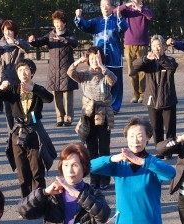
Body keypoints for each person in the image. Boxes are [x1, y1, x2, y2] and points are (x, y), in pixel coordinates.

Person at [0, 59, 56, 198]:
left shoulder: (37, 88)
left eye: (26, 70)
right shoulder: (13, 89)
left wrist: (34, 89)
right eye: (20, 71)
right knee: (22, 170)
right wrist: (0, 87)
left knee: (37, 170)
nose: (23, 73)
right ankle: (26, 202)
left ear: (32, 72)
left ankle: (38, 201)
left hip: (34, 131)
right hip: (18, 132)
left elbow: (49, 98)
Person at [68, 47, 117, 190]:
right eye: (91, 59)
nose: (94, 61)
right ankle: (94, 177)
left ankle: (105, 179)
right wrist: (78, 62)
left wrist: (103, 67)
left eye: (97, 58)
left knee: (104, 148)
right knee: (91, 149)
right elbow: (70, 73)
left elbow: (113, 80)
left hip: (104, 114)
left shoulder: (106, 73)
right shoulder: (84, 74)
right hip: (89, 115)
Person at [75, 0, 129, 114]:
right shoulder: (96, 21)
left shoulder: (116, 20)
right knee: (99, 81)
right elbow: (85, 26)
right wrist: (79, 17)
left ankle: (114, 106)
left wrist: (119, 17)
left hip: (114, 56)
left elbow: (124, 28)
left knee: (115, 82)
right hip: (98, 56)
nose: (105, 8)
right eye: (102, 6)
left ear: (112, 7)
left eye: (107, 5)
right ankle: (101, 104)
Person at [29, 10, 79, 127]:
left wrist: (63, 40)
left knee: (68, 96)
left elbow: (75, 43)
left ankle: (68, 118)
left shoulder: (69, 34)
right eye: (55, 22)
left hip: (67, 69)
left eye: (59, 22)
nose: (57, 24)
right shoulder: (50, 35)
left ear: (64, 23)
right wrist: (32, 41)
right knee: (57, 96)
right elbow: (39, 42)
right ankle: (59, 118)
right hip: (54, 69)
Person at [132, 35, 178, 151]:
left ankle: (169, 150)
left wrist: (160, 58)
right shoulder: (148, 62)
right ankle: (159, 150)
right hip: (152, 100)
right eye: (153, 46)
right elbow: (135, 65)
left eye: (159, 45)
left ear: (163, 47)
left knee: (169, 128)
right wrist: (146, 59)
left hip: (168, 99)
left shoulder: (169, 60)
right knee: (155, 127)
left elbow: (172, 67)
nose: (156, 48)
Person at [0, 19, 30, 120]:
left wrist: (17, 42)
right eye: (6, 30)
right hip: (4, 79)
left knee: (20, 107)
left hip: (18, 78)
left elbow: (27, 48)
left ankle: (22, 130)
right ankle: (11, 133)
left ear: (14, 31)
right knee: (8, 110)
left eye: (10, 30)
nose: (8, 33)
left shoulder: (19, 43)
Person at [115, 0, 154, 104]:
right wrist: (125, 6)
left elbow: (150, 16)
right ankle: (135, 94)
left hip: (142, 45)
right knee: (132, 71)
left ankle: (142, 94)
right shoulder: (127, 10)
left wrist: (140, 9)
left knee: (142, 71)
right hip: (129, 44)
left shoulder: (144, 9)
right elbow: (114, 12)